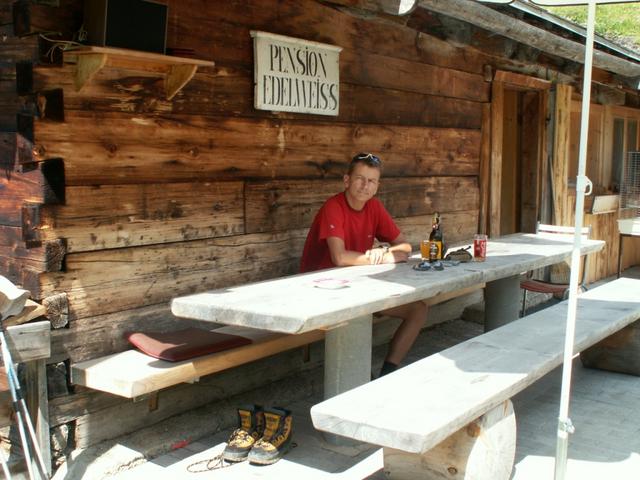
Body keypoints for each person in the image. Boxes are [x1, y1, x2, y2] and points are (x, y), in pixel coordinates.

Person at [300, 153, 428, 377]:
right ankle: (359, 379)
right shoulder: (333, 206)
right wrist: (380, 258)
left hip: (358, 287)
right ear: (347, 180)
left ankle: (387, 373)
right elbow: (339, 258)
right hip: (323, 289)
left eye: (371, 181)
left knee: (418, 310)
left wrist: (386, 251)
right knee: (359, 314)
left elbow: (405, 247)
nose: (365, 185)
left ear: (377, 186)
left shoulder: (374, 207)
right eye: (359, 178)